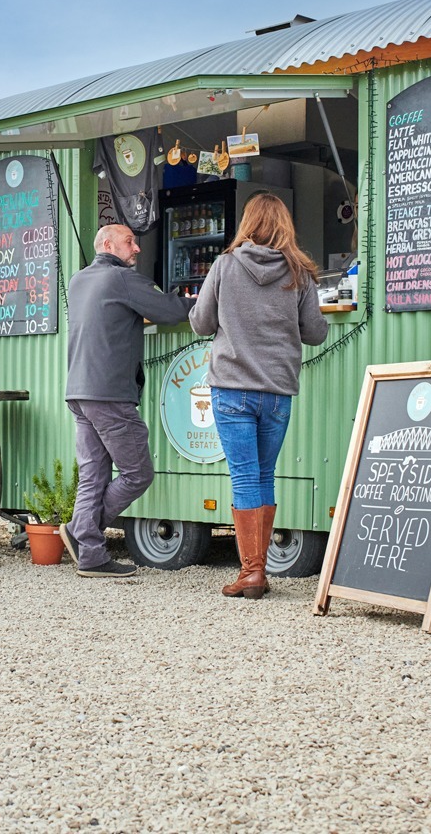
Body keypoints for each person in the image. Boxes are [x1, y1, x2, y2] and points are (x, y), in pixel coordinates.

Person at [189, 193, 328, 598]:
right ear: (285, 225)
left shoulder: (225, 264)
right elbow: (315, 332)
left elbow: (200, 323)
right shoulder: (299, 271)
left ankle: (252, 573)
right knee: (263, 475)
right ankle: (257, 570)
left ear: (247, 223)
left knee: (245, 477)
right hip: (277, 391)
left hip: (232, 388)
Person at [61, 223, 192, 578]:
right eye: (129, 242)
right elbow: (171, 311)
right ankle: (82, 534)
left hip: (79, 390)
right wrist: (206, 301)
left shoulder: (79, 280)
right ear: (106, 244)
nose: (137, 249)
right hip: (109, 394)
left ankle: (89, 552)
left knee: (93, 475)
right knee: (138, 473)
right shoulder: (121, 279)